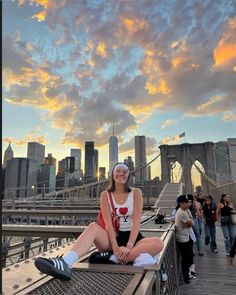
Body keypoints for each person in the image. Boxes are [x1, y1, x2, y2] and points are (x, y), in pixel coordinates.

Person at [34, 162, 164, 280]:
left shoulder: (136, 193)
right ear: (112, 174)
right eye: (118, 171)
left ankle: (112, 258)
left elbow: (136, 222)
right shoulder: (105, 195)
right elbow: (108, 224)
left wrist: (129, 246)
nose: (121, 174)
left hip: (133, 239)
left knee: (158, 243)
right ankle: (66, 262)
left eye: (125, 171)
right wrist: (116, 248)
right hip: (112, 239)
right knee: (93, 227)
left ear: (128, 175)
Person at [175, 194, 195, 284]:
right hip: (182, 239)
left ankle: (186, 275)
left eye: (188, 202)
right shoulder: (182, 213)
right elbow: (192, 223)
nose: (188, 204)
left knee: (187, 257)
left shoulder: (184, 210)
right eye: (185, 203)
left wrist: (188, 223)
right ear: (180, 203)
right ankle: (186, 277)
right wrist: (188, 223)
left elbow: (191, 222)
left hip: (185, 237)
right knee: (185, 259)